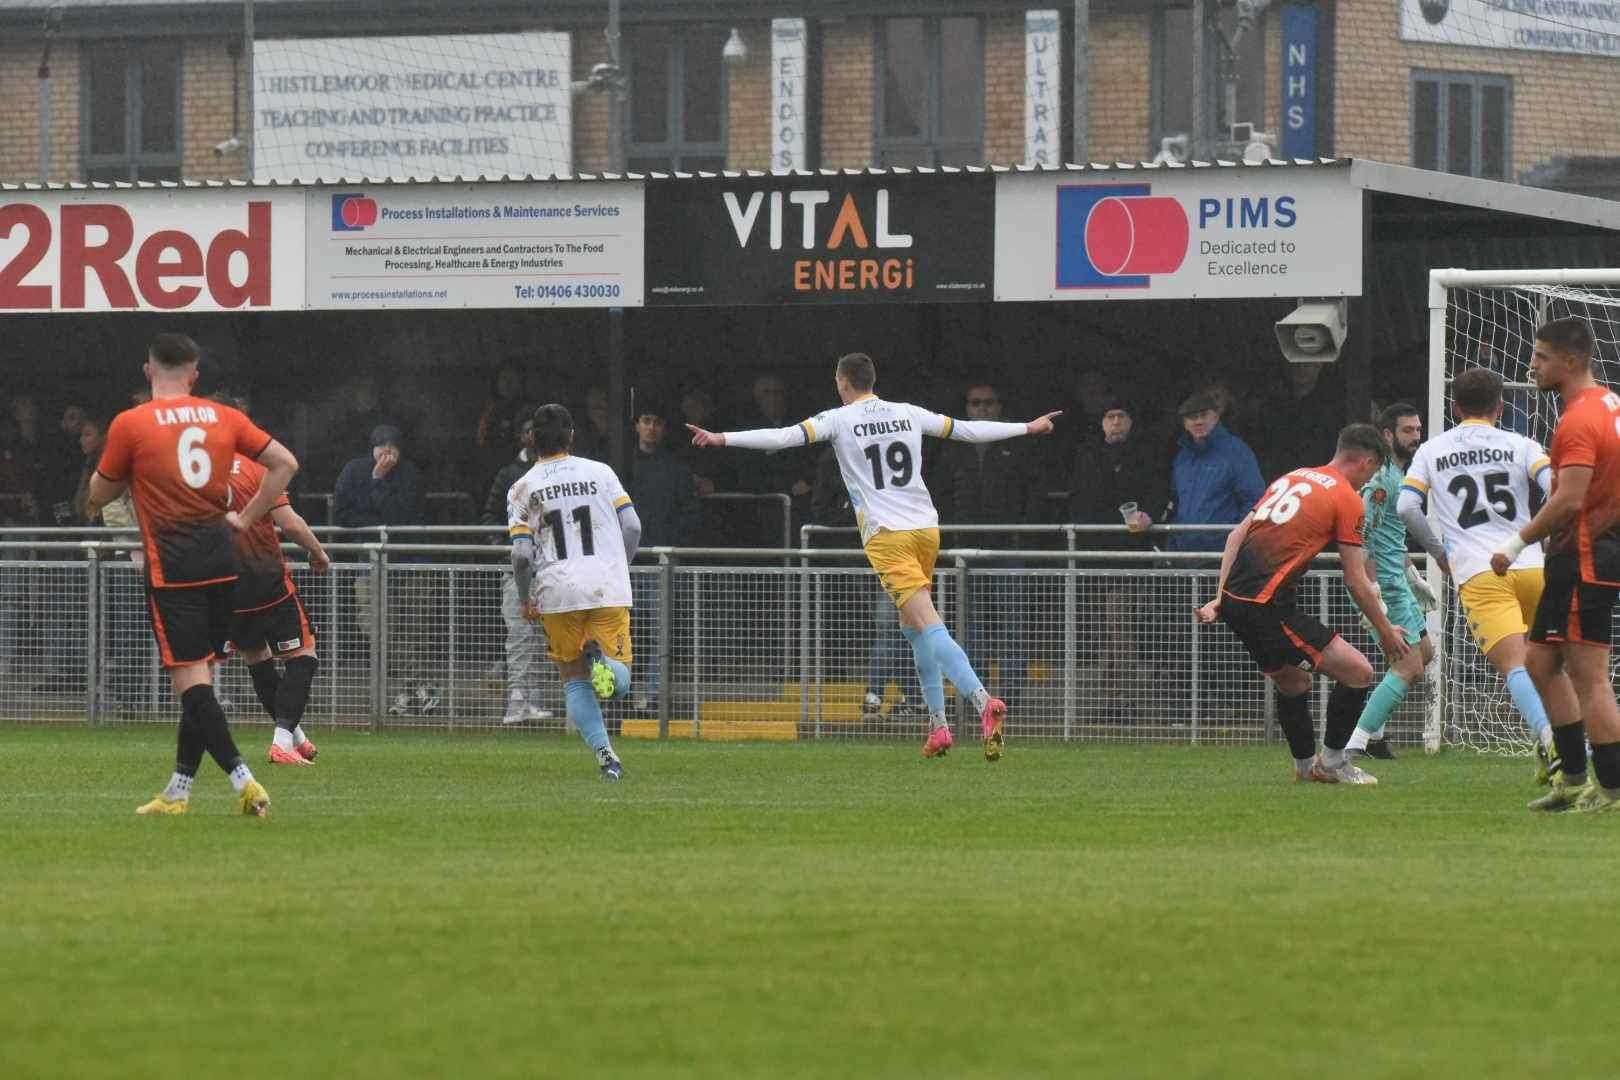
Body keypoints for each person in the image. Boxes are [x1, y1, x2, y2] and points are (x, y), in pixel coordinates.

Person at [687, 351, 1061, 760]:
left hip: (888, 536)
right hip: (925, 529)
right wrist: (1028, 426)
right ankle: (938, 725)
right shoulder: (907, 412)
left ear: (843, 382)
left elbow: (782, 437)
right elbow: (967, 431)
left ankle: (982, 701)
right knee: (913, 628)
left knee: (929, 623)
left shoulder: (838, 419)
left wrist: (722, 438)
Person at [86, 332, 297, 817]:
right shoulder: (225, 416)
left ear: (148, 369)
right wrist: (245, 518)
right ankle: (178, 791)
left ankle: (245, 783)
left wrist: (106, 489)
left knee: (191, 683)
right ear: (195, 374)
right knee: (200, 676)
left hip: (173, 563)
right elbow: (285, 463)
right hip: (224, 559)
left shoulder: (132, 423)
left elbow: (100, 491)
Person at [1195, 423, 1409, 785]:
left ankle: (1305, 766)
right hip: (1265, 606)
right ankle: (1334, 764)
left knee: (1292, 681)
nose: (1370, 480)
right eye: (1373, 471)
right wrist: (1386, 633)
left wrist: (1219, 597)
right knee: (1359, 672)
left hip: (1238, 602)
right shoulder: (1346, 497)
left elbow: (1236, 535)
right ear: (1367, 461)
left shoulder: (1293, 477)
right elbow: (1356, 580)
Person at [1397, 370, 1567, 783]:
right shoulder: (1522, 444)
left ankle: (1552, 741)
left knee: (1514, 666)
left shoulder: (1432, 450)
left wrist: (1440, 553)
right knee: (1547, 664)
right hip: (1530, 564)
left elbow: (1406, 507)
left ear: (1455, 407)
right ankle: (1560, 748)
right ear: (1501, 407)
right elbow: (1558, 487)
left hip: (1480, 569)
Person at [1489, 318, 1620, 811]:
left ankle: (1610, 788)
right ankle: (1571, 777)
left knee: (1590, 677)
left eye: (1541, 357)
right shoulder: (1609, 403)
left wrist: (1515, 542)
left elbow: (1569, 499)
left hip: (1585, 554)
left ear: (1570, 361)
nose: (1532, 365)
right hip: (1579, 555)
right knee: (1540, 664)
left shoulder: (1580, 419)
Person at [507, 403, 641, 779]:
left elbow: (520, 555)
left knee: (573, 678)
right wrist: (620, 568)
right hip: (605, 585)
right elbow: (632, 527)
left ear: (532, 440)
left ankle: (606, 757)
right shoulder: (601, 473)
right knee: (619, 684)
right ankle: (607, 667)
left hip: (558, 591)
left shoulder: (522, 488)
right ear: (572, 436)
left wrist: (523, 597)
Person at [1339, 403, 1449, 768]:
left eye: (1418, 430)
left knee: (1425, 653)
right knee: (1409, 666)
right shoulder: (1382, 480)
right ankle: (1353, 744)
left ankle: (1376, 737)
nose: (1416, 437)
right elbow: (1363, 538)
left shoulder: (1398, 474)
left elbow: (1389, 537)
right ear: (1387, 435)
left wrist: (1412, 573)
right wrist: (1374, 595)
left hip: (1397, 581)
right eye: (1408, 431)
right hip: (1383, 586)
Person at [220, 442, 331, 766]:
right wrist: (318, 553)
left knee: (257, 656)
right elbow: (291, 523)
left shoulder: (198, 473)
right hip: (266, 580)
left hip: (226, 585)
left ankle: (295, 737)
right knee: (303, 655)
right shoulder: (257, 469)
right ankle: (281, 742)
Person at [934, 380, 1042, 708]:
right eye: (976, 403)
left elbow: (1034, 492)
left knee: (1012, 625)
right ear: (966, 408)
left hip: (1007, 547)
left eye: (989, 403)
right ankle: (974, 695)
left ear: (1000, 407)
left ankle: (1011, 697)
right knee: (969, 627)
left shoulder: (1017, 443)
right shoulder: (953, 446)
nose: (982, 409)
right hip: (965, 550)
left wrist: (1022, 532)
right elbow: (940, 493)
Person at [334, 423, 435, 715]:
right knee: (375, 627)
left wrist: (377, 486)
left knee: (414, 631)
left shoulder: (410, 473)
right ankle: (414, 686)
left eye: (392, 447)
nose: (386, 453)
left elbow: (400, 515)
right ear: (372, 447)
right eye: (381, 446)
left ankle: (411, 691)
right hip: (370, 563)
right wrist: (375, 484)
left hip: (410, 563)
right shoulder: (354, 471)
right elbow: (344, 515)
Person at [1068, 398, 1166, 681]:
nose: (1115, 422)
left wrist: (1150, 515)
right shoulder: (1088, 455)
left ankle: (1120, 697)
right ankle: (1112, 695)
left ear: (1131, 421)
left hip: (1129, 554)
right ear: (1101, 422)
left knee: (1119, 625)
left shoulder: (1145, 455)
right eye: (1110, 416)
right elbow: (1079, 500)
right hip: (1096, 554)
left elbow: (1157, 491)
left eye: (1121, 416)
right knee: (1105, 628)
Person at [627, 403, 701, 715]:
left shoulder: (676, 470)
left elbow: (690, 513)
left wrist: (670, 544)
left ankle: (655, 695)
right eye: (646, 420)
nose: (651, 427)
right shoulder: (621, 469)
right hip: (627, 564)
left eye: (657, 421)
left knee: (660, 634)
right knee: (623, 634)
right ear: (637, 425)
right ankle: (622, 693)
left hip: (661, 564)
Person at [482, 418, 556, 726]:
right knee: (519, 634)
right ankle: (516, 700)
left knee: (540, 636)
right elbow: (488, 517)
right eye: (527, 431)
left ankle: (533, 699)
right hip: (518, 568)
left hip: (550, 567)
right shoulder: (508, 474)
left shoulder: (554, 474)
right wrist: (507, 547)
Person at [1167, 392, 1266, 553]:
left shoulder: (1236, 451)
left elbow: (1254, 500)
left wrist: (1235, 541)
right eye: (1192, 417)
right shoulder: (1182, 457)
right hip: (1183, 554)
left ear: (1216, 417)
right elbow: (1176, 503)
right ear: (1184, 424)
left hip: (1222, 554)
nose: (1198, 421)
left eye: (1204, 415)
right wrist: (1172, 545)